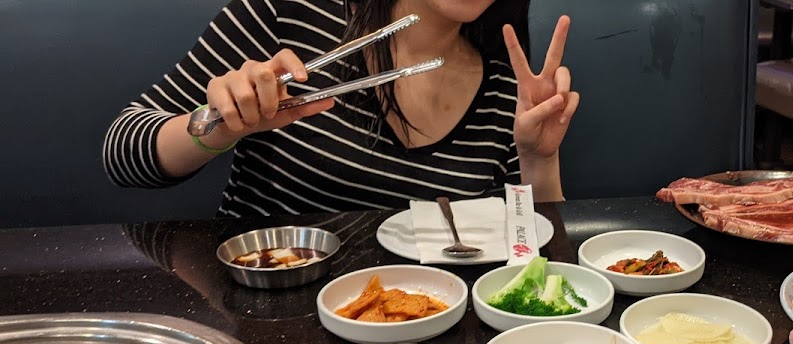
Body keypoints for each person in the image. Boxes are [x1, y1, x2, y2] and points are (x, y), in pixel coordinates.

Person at [102, 0, 578, 217]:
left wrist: (539, 158)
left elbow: (527, 247)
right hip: (266, 316)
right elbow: (123, 153)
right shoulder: (289, 15)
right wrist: (221, 127)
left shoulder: (506, 85)